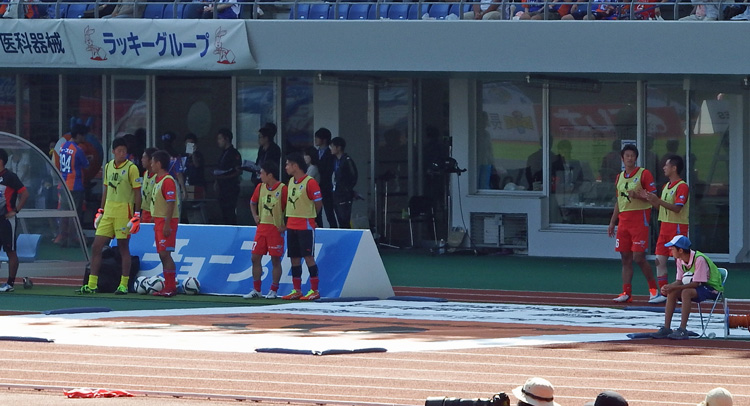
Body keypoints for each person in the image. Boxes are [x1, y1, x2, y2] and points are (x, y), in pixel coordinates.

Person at [78, 137, 142, 295]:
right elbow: (106, 189)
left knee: (123, 247)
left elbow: (137, 192)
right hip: (108, 211)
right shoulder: (108, 167)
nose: (122, 154)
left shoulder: (132, 168)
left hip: (124, 211)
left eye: (124, 151)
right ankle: (92, 284)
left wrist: (137, 214)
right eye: (119, 151)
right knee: (96, 246)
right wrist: (101, 210)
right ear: (113, 151)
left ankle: (123, 284)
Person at [608, 144, 659, 303]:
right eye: (627, 155)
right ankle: (626, 292)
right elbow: (619, 201)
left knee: (639, 257)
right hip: (624, 221)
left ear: (636, 158)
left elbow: (654, 197)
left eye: (632, 156)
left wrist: (638, 196)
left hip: (639, 219)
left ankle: (653, 290)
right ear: (622, 158)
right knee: (625, 257)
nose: (629, 158)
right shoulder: (619, 177)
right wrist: (612, 222)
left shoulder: (644, 174)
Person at [651, 235, 724, 340]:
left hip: (711, 289)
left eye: (672, 248)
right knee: (672, 292)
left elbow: (696, 284)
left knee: (686, 292)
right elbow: (679, 281)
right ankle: (666, 328)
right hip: (697, 286)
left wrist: (675, 288)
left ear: (680, 250)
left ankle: (682, 329)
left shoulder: (699, 259)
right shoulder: (680, 260)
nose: (670, 250)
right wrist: (669, 287)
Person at [641, 155, 689, 304]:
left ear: (674, 168)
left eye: (666, 165)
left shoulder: (682, 186)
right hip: (664, 227)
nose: (664, 168)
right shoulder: (665, 186)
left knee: (680, 263)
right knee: (659, 260)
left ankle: (680, 293)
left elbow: (677, 208)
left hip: (677, 227)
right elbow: (660, 207)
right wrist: (651, 199)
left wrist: (658, 201)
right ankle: (665, 292)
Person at [243, 161, 287, 300]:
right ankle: (257, 289)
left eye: (262, 173)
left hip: (275, 229)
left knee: (275, 260)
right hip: (262, 228)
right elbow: (252, 202)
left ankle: (273, 290)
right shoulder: (260, 187)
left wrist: (285, 226)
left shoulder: (283, 189)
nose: (260, 175)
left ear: (270, 175)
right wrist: (255, 216)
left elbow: (291, 209)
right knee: (255, 258)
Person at [282, 152, 323, 301]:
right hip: (291, 224)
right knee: (294, 258)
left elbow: (318, 203)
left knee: (308, 257)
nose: (286, 167)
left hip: (305, 225)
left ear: (295, 165)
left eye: (288, 164)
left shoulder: (310, 182)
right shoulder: (291, 181)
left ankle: (314, 290)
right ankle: (297, 290)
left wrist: (312, 217)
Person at [149, 150, 180, 297]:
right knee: (162, 254)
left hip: (166, 221)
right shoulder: (158, 180)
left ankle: (170, 286)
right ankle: (168, 286)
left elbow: (170, 203)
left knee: (165, 254)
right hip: (159, 220)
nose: (151, 165)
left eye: (153, 162)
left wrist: (167, 224)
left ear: (159, 163)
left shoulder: (167, 181)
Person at [0, 149, 29, 293]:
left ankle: (10, 283)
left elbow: (25, 193)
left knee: (10, 250)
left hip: (7, 220)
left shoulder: (10, 177)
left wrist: (16, 210)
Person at [56, 124, 90, 247]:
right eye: (83, 136)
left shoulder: (63, 147)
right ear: (79, 135)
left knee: (64, 213)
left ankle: (62, 237)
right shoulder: (78, 149)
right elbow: (86, 165)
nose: (84, 138)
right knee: (75, 213)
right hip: (75, 185)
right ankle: (73, 239)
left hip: (63, 184)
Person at [214, 128, 242, 225]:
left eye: (220, 138)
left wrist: (225, 177)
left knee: (230, 213)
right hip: (222, 188)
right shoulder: (223, 153)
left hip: (231, 188)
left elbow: (238, 171)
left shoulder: (234, 153)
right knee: (224, 213)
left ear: (226, 139)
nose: (218, 141)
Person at [329, 137, 358, 229]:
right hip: (337, 193)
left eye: (332, 146)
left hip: (344, 195)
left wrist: (347, 189)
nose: (331, 149)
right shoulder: (335, 160)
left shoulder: (347, 160)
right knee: (340, 219)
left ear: (338, 147)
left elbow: (353, 175)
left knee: (344, 220)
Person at [314, 128, 337, 228]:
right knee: (317, 213)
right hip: (316, 186)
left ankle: (334, 231)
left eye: (317, 138)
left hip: (326, 186)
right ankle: (319, 231)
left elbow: (328, 169)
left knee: (329, 213)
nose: (315, 140)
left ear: (324, 139)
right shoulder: (315, 153)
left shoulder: (330, 153)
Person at [183, 133, 205, 199]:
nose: (189, 145)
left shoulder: (198, 155)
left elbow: (197, 165)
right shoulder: (183, 156)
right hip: (185, 184)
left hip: (197, 183)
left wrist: (193, 153)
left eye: (191, 143)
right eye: (188, 143)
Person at [140, 147, 158, 223]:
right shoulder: (145, 174)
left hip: (154, 213)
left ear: (151, 160)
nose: (142, 160)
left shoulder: (158, 177)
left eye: (144, 157)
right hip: (145, 212)